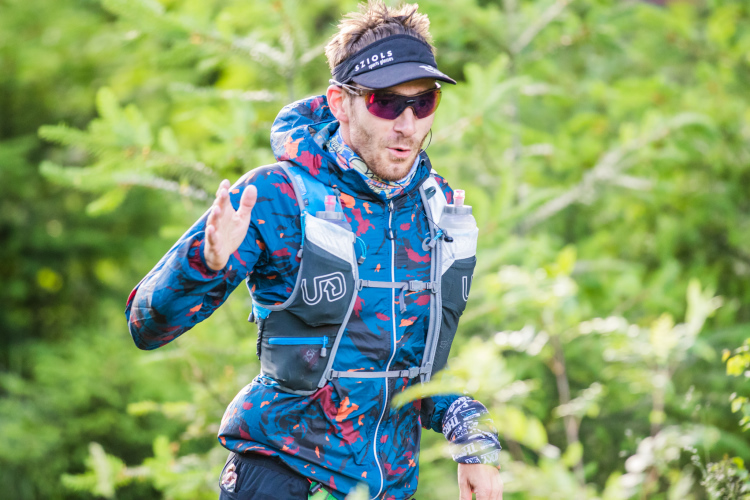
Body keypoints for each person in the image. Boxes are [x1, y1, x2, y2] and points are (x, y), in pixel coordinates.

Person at [125, 2, 503, 499]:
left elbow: (412, 367)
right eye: (387, 103)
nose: (408, 125)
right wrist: (206, 263)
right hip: (281, 477)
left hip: (387, 489)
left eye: (424, 102)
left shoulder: (436, 209)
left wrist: (472, 434)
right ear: (340, 103)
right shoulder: (277, 196)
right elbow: (146, 325)